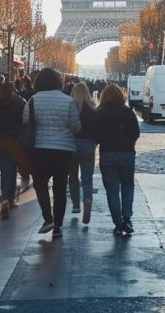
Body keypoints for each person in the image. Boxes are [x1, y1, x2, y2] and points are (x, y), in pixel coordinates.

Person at [24, 68, 81, 239]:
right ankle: (58, 225)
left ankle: (47, 218)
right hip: (63, 150)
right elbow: (76, 127)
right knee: (60, 187)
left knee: (40, 184)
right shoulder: (68, 100)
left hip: (40, 148)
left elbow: (25, 121)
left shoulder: (33, 100)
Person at [93, 84, 140, 237]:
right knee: (127, 185)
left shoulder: (99, 113)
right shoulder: (127, 112)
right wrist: (128, 142)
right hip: (126, 153)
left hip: (107, 154)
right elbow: (135, 132)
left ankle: (117, 223)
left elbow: (96, 136)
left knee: (112, 190)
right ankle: (127, 218)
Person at [0, 81, 26, 219]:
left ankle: (5, 197)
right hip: (14, 141)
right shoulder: (19, 103)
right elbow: (25, 122)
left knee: (4, 170)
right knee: (12, 170)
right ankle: (9, 199)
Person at [67, 82, 98, 223]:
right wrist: (93, 145)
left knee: (72, 177)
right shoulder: (93, 110)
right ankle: (87, 200)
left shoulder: (70, 109)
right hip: (87, 146)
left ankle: (75, 205)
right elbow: (97, 133)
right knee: (87, 178)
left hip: (71, 146)